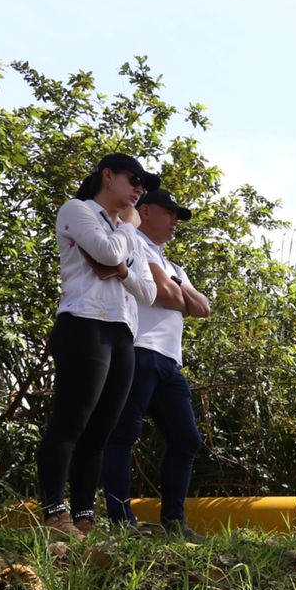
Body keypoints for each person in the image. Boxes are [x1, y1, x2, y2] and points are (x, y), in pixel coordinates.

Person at [35, 153, 170, 539]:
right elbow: (107, 253)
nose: (140, 189)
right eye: (135, 179)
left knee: (100, 432)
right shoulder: (77, 210)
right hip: (83, 323)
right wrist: (128, 228)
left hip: (122, 331)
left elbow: (147, 291)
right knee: (70, 422)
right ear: (107, 176)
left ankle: (83, 517)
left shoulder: (124, 232)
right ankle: (54, 512)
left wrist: (123, 269)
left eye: (144, 185)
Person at [100, 188, 212, 541]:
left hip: (168, 361)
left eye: (178, 215)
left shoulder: (173, 266)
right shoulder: (135, 245)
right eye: (169, 212)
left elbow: (202, 308)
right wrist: (179, 293)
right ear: (145, 211)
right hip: (138, 350)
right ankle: (120, 520)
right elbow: (165, 296)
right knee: (123, 434)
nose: (175, 220)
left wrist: (176, 284)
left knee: (187, 439)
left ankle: (174, 522)